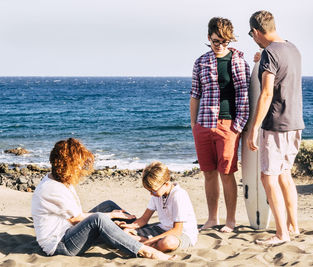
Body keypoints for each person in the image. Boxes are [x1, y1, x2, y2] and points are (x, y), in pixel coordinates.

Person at [31, 138, 173, 260]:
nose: (81, 167)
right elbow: (76, 219)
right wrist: (110, 216)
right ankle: (145, 250)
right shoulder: (52, 188)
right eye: (78, 164)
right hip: (61, 245)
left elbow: (73, 216)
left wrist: (111, 214)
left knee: (108, 205)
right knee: (99, 218)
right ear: (68, 165)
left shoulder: (60, 180)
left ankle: (144, 233)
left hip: (68, 230)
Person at [247, 10, 305, 245]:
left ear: (257, 31)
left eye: (252, 35)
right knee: (285, 176)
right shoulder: (292, 48)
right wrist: (261, 60)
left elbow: (267, 93)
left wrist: (254, 127)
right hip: (295, 123)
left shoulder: (270, 53)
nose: (254, 39)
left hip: (275, 125)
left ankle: (281, 234)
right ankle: (294, 227)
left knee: (268, 178)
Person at [190, 17, 250, 233]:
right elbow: (195, 94)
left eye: (224, 42)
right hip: (203, 124)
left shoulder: (239, 62)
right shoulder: (200, 62)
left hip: (228, 124)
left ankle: (230, 220)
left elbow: (244, 95)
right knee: (208, 173)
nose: (220, 45)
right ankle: (212, 218)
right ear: (209, 38)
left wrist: (239, 126)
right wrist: (194, 124)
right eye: (216, 41)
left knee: (226, 173)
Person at [118, 161, 198, 252]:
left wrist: (151, 240)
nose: (151, 194)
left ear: (166, 184)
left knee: (167, 242)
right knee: (126, 233)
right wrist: (129, 226)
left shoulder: (178, 195)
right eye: (149, 191)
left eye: (153, 191)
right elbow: (144, 219)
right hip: (162, 229)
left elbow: (177, 230)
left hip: (183, 234)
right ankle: (148, 244)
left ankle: (146, 246)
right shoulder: (157, 195)